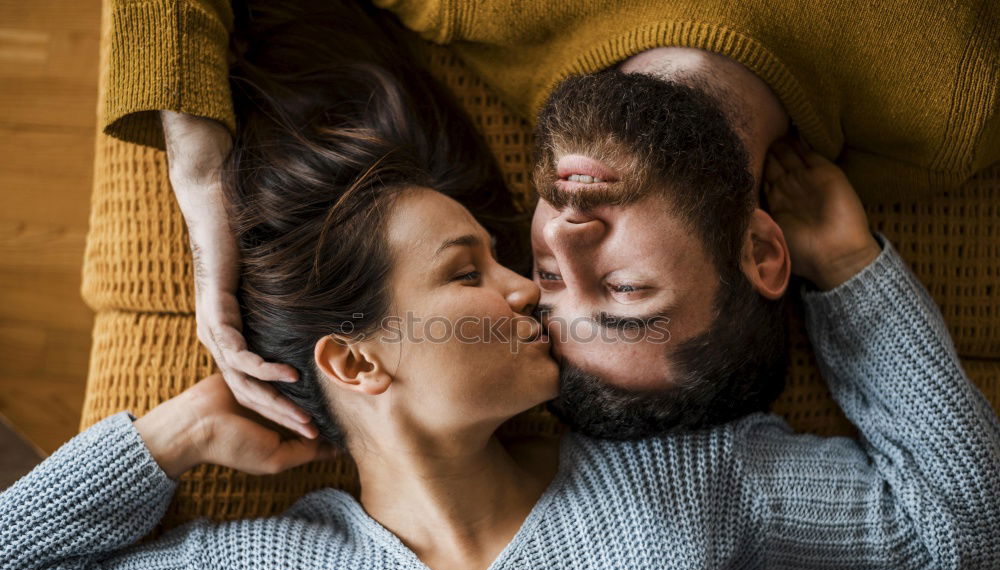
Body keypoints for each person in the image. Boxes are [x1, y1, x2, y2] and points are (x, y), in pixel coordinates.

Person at [3, 4, 1000, 570]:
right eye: (468, 269)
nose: (531, 285)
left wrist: (852, 276)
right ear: (354, 359)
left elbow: (957, 520)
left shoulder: (682, 480)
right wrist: (159, 442)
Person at [102, 0, 999, 441]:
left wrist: (201, 174)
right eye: (623, 287)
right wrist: (852, 269)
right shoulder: (945, 112)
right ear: (762, 246)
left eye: (546, 281)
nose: (560, 236)